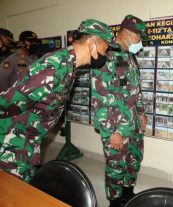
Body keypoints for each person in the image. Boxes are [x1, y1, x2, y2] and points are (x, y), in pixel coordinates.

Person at [0, 19, 116, 182]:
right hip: (12, 145)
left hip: (27, 140)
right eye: (106, 46)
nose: (106, 52)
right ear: (92, 44)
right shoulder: (57, 67)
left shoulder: (68, 64)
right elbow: (9, 100)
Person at [91, 14, 148, 207]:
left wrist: (141, 114)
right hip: (116, 126)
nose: (140, 43)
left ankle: (127, 193)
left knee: (134, 159)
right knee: (116, 166)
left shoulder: (131, 57)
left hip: (133, 123)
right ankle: (115, 201)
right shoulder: (106, 55)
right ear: (127, 34)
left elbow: (135, 90)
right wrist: (111, 131)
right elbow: (100, 98)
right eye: (139, 39)